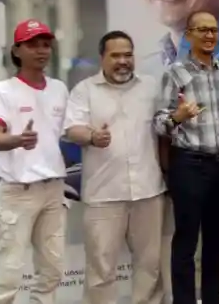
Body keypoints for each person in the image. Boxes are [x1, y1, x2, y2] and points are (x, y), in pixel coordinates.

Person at [63, 31, 165, 304]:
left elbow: (166, 125)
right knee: (101, 270)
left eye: (128, 55)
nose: (123, 61)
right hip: (103, 194)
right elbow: (72, 129)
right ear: (102, 58)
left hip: (148, 191)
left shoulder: (151, 87)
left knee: (149, 266)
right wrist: (92, 136)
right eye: (115, 55)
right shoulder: (84, 90)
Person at [0, 19, 68, 304]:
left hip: (53, 190)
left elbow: (66, 132)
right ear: (17, 50)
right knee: (8, 276)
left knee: (51, 271)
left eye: (45, 45)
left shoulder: (59, 89)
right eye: (32, 45)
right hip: (18, 192)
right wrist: (17, 140)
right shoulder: (1, 91)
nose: (41, 51)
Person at [153, 10, 219, 304]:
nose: (209, 35)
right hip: (189, 165)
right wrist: (176, 117)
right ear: (188, 35)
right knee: (186, 242)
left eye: (213, 30)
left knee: (217, 240)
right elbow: (158, 123)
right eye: (202, 30)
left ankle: (214, 298)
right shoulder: (175, 73)